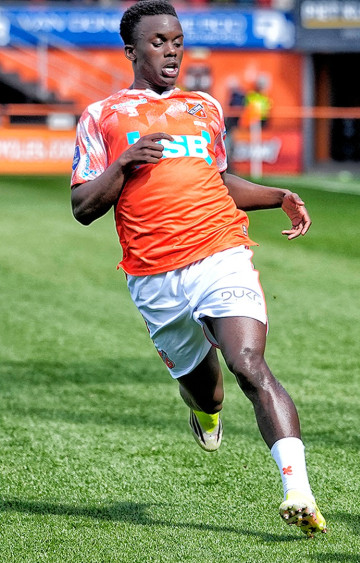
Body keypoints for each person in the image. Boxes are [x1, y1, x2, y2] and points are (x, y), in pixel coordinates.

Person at [69, 0, 326, 538]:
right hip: (152, 274)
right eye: (159, 41)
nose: (171, 50)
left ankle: (298, 491)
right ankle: (207, 415)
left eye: (177, 41)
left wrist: (277, 194)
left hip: (219, 253)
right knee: (207, 392)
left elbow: (221, 181)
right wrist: (124, 162)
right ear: (131, 50)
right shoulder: (102, 117)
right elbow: (84, 207)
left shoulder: (205, 107)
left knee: (250, 365)